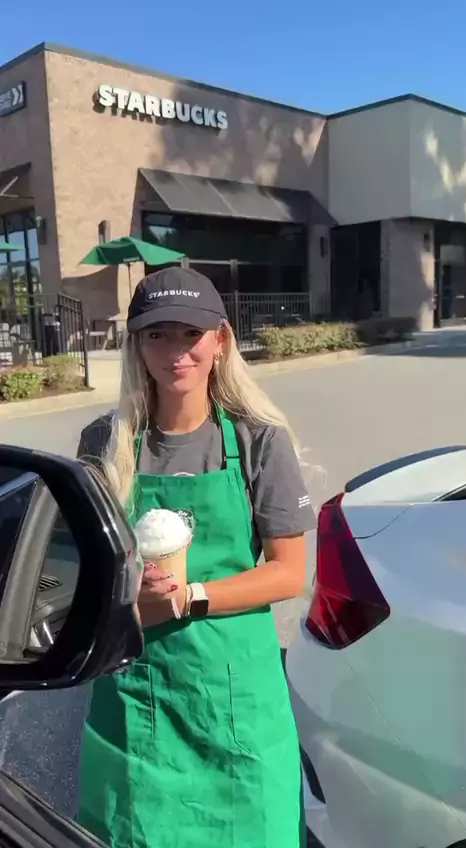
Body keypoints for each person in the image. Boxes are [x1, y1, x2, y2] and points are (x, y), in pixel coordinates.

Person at [76, 266, 316, 848]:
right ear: (137, 345)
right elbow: (84, 565)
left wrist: (189, 597)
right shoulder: (104, 443)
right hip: (139, 691)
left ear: (220, 341)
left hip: (237, 696)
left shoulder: (259, 440)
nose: (176, 351)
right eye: (158, 334)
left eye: (191, 333)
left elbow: (288, 572)